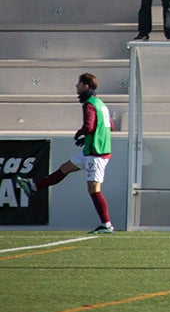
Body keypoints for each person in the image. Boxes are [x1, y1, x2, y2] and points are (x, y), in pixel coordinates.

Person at [15, 73, 114, 234]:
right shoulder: (101, 104)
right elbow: (110, 125)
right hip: (92, 150)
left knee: (94, 189)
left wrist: (81, 133)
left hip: (96, 153)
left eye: (79, 84)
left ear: (86, 86)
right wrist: (88, 138)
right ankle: (33, 186)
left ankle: (107, 224)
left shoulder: (89, 104)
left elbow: (89, 126)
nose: (76, 86)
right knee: (65, 168)